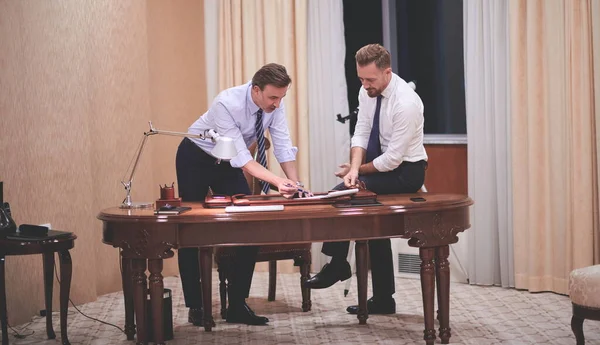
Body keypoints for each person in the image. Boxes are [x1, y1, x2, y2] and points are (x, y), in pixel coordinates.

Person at [176, 63, 309, 326]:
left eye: (282, 97)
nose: (277, 103)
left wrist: (296, 185)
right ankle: (195, 305)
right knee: (190, 230)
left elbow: (282, 145)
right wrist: (277, 181)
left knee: (248, 222)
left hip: (226, 163)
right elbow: (244, 158)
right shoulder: (226, 103)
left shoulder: (274, 105)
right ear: (256, 90)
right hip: (196, 157)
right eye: (273, 97)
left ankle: (237, 304)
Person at [304, 44, 428, 315]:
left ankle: (337, 264)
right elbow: (360, 132)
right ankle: (384, 299)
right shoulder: (367, 90)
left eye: (370, 80)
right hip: (382, 165)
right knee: (374, 224)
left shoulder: (406, 103)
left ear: (387, 72)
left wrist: (357, 172)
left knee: (340, 194)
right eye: (361, 79)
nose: (364, 85)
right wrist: (353, 171)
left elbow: (393, 160)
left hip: (407, 171)